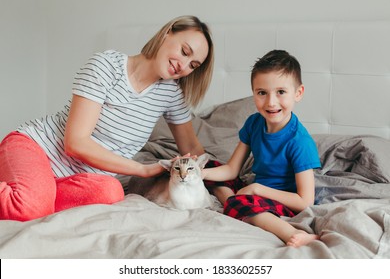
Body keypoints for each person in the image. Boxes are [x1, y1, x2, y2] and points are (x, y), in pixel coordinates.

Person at [0, 15, 214, 221]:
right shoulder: (107, 66)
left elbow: (193, 150)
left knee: (112, 192)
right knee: (28, 207)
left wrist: (225, 185)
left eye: (193, 66)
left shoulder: (171, 95)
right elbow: (75, 143)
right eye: (185, 52)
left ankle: (38, 193)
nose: (184, 66)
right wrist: (142, 169)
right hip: (36, 149)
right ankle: (33, 195)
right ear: (168, 33)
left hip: (78, 180)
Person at [203, 50, 321, 247]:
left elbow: (305, 201)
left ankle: (291, 232)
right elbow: (232, 169)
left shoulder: (299, 141)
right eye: (262, 93)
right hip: (254, 194)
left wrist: (257, 189)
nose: (271, 102)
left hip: (285, 201)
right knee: (210, 167)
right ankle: (234, 201)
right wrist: (200, 173)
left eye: (281, 92)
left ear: (298, 93)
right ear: (253, 93)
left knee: (240, 201)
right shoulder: (254, 123)